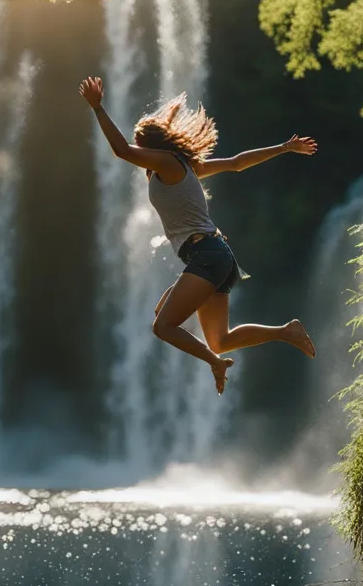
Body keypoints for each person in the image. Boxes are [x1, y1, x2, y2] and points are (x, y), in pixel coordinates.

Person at [79, 75, 317, 394]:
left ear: (151, 148)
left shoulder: (167, 163)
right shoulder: (185, 167)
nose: (140, 156)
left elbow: (121, 150)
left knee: (163, 326)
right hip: (216, 256)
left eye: (142, 148)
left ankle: (214, 363)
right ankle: (286, 331)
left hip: (207, 255)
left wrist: (98, 108)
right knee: (219, 339)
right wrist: (285, 147)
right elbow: (236, 163)